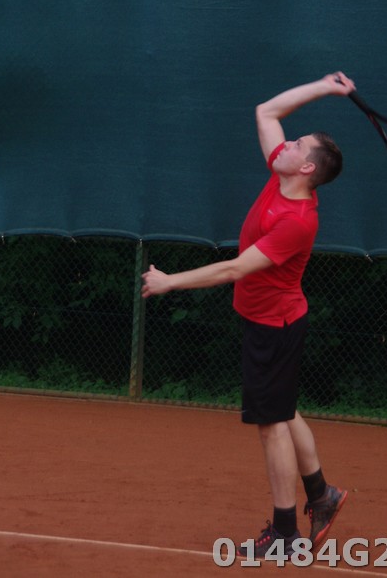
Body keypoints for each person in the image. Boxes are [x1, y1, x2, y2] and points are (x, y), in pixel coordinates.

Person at [141, 72, 356, 558]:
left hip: (274, 327)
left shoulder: (297, 221)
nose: (288, 143)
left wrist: (171, 281)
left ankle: (284, 533)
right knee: (283, 409)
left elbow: (236, 268)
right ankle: (323, 495)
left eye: (298, 144)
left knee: (270, 423)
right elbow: (266, 111)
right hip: (272, 320)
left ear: (306, 168)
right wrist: (325, 86)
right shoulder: (283, 173)